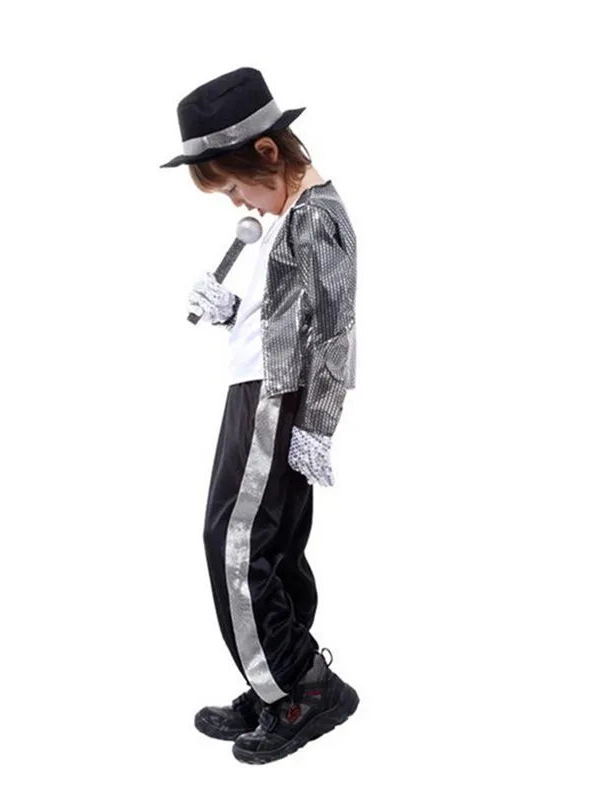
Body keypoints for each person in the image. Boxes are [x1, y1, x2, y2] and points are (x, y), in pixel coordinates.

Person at [160, 66, 359, 765]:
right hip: (257, 388)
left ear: (268, 153)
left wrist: (317, 426)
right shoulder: (289, 216)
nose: (236, 202)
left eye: (234, 188)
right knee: (267, 545)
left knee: (234, 545)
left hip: (277, 399)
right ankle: (281, 677)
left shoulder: (316, 217)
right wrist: (232, 313)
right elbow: (287, 316)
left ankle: (298, 688)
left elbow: (333, 331)